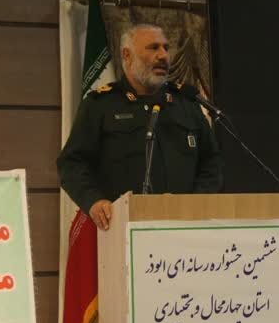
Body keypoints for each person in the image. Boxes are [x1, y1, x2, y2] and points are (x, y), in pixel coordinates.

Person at [57, 24, 223, 230]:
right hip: (121, 228)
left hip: (186, 228)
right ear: (127, 55)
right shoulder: (101, 104)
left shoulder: (186, 103)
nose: (163, 55)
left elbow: (211, 161)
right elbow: (72, 164)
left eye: (166, 48)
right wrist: (94, 201)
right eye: (153, 48)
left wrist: (199, 201)